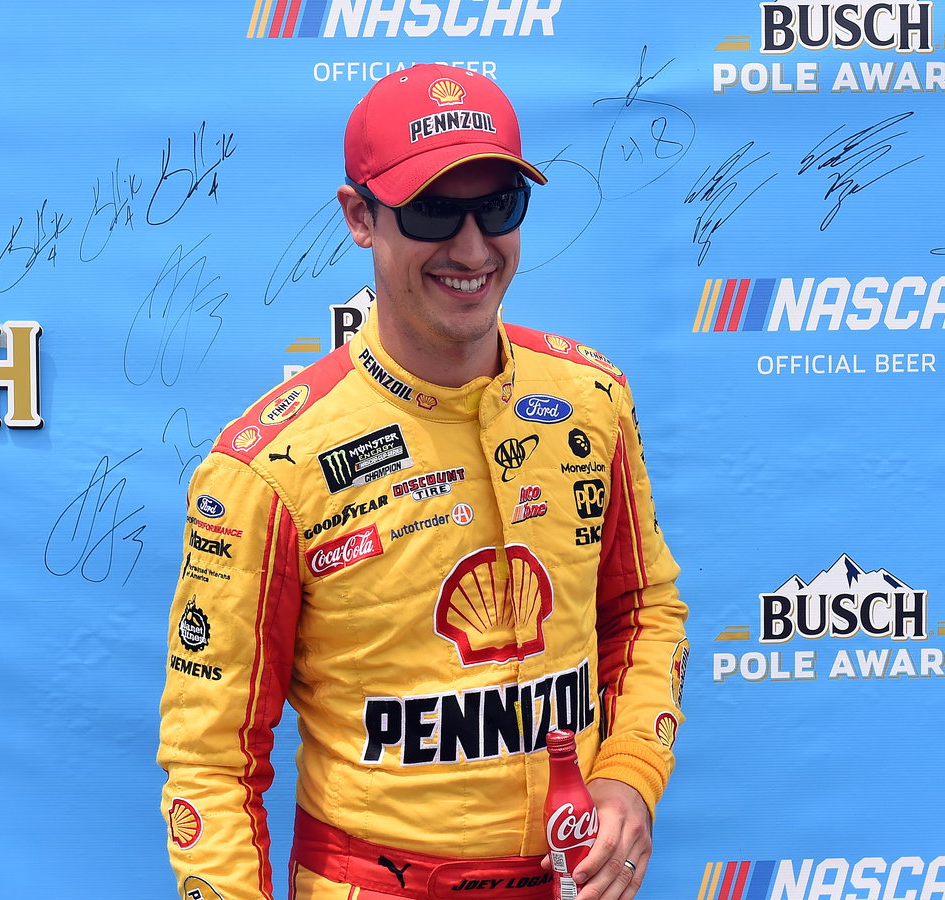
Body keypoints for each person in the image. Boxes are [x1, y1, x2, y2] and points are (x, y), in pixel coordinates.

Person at [158, 65, 687, 900]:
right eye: (434, 211)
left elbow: (644, 611)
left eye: (499, 207)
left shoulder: (592, 399)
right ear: (359, 216)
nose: (473, 249)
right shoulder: (269, 465)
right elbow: (211, 761)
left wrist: (629, 771)